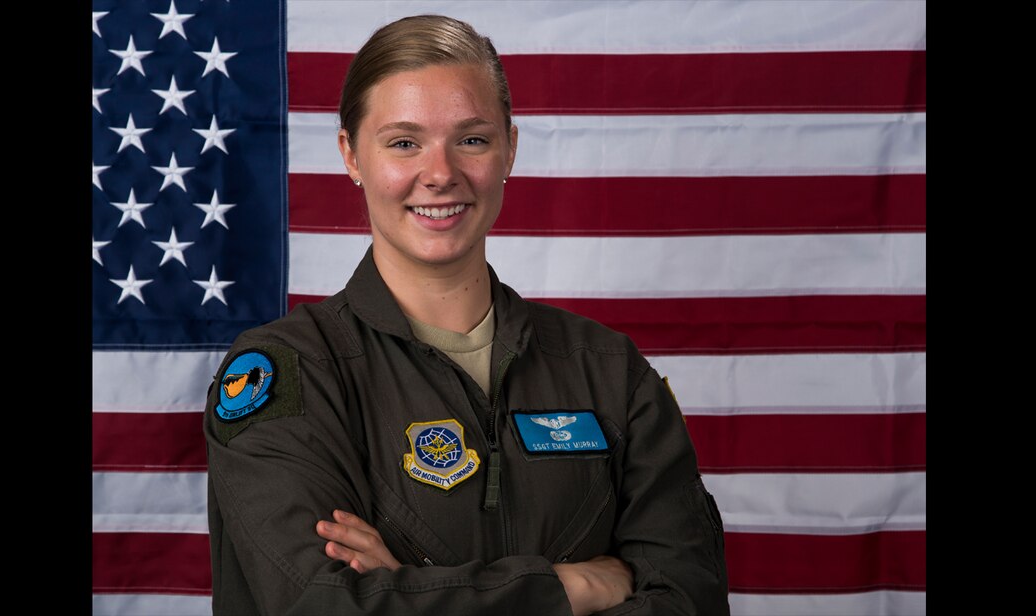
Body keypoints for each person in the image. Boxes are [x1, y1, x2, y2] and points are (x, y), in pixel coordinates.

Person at [204, 14, 729, 615]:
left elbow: (692, 600)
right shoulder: (289, 374)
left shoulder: (608, 372)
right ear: (351, 155)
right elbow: (321, 605)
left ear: (510, 146)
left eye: (472, 139)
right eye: (404, 142)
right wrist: (573, 587)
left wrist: (408, 593)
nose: (441, 174)